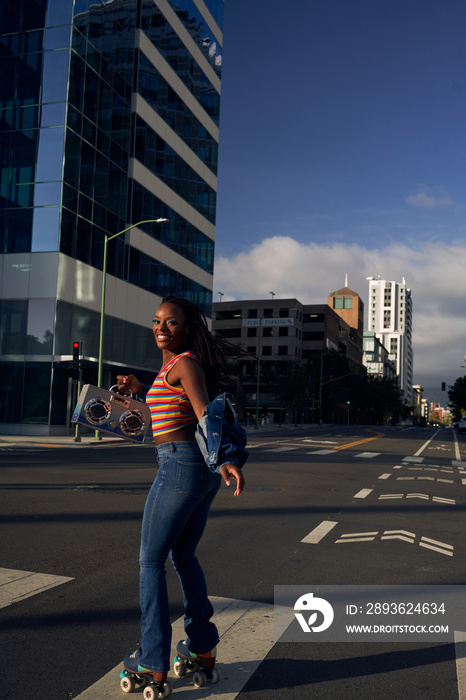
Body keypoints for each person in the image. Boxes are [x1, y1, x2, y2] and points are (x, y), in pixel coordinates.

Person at [117, 295, 246, 696]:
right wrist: (140, 392)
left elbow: (205, 412)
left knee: (150, 561)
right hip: (194, 469)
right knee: (183, 555)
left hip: (181, 466)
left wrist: (226, 458)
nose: (160, 327)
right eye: (157, 321)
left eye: (171, 322)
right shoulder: (169, 368)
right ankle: (201, 647)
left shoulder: (185, 364)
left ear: (187, 328)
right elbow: (165, 417)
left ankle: (152, 659)